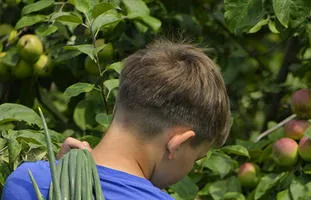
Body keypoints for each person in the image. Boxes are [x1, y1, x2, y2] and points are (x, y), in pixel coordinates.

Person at [2, 40, 231, 199]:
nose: (191, 168)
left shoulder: (25, 181)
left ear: (116, 109)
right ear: (178, 144)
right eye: (196, 158)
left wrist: (62, 176)